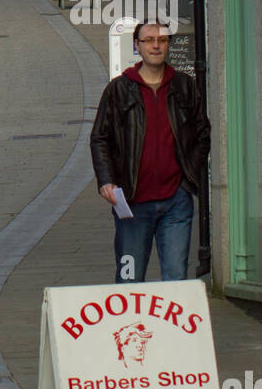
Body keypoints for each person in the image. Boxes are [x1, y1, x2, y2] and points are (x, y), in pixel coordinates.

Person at [90, 20, 211, 283]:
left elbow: (202, 133)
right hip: (132, 202)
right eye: (149, 40)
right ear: (137, 46)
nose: (156, 45)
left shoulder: (184, 87)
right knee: (129, 280)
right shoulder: (119, 90)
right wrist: (106, 181)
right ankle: (129, 326)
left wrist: (187, 177)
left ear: (168, 45)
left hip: (176, 202)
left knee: (176, 279)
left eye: (162, 40)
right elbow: (100, 138)